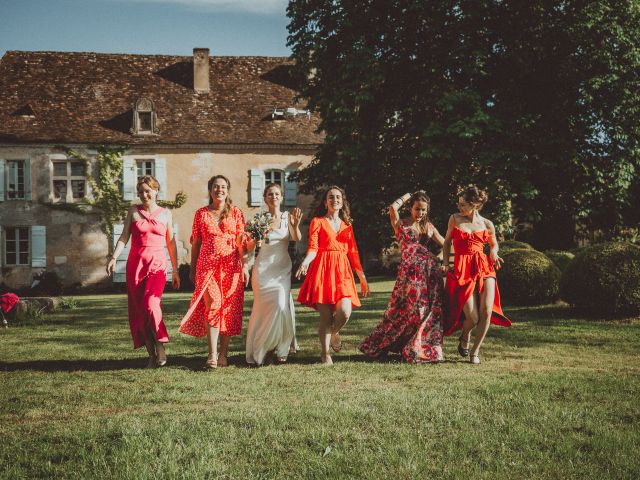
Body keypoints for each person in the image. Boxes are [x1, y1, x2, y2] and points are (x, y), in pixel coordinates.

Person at [360, 191, 445, 363]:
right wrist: (408, 194)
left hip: (429, 274)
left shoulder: (429, 227)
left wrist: (441, 259)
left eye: (423, 210)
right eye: (417, 209)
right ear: (411, 207)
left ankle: (416, 349)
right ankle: (385, 345)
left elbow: (447, 243)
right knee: (402, 312)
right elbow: (392, 207)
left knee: (424, 312)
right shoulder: (401, 224)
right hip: (409, 275)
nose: (420, 213)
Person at [107, 175, 180, 368]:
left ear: (156, 191)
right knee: (140, 312)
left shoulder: (166, 213)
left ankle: (160, 344)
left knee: (151, 305)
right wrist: (114, 257)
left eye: (148, 191)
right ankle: (151, 356)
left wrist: (176, 270)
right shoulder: (134, 211)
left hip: (157, 266)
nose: (144, 195)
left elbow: (171, 244)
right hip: (136, 266)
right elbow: (124, 237)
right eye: (140, 192)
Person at [179, 175, 249, 369]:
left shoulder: (236, 213)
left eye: (224, 187)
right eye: (216, 187)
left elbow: (241, 243)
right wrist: (192, 269)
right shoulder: (201, 213)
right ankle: (212, 354)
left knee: (228, 308)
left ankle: (223, 354)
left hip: (231, 266)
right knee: (214, 304)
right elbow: (196, 243)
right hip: (207, 266)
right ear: (210, 190)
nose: (220, 190)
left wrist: (245, 265)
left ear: (228, 190)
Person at [296, 186, 369, 365]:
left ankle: (335, 332)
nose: (334, 199)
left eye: (337, 197)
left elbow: (353, 252)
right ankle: (325, 353)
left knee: (344, 311)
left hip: (342, 271)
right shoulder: (317, 221)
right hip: (322, 270)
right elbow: (313, 247)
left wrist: (362, 276)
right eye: (330, 197)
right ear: (325, 201)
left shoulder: (347, 226)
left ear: (342, 202)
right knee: (326, 317)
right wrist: (306, 262)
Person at [441, 185, 511, 364]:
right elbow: (447, 242)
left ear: (475, 205)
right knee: (472, 317)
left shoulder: (487, 224)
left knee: (486, 311)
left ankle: (475, 351)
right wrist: (445, 263)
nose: (459, 207)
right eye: (459, 203)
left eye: (463, 204)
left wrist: (494, 252)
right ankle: (465, 336)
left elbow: (494, 244)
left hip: (484, 267)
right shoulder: (454, 219)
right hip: (463, 268)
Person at [245, 183, 303, 366]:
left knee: (280, 305)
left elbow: (296, 238)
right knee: (264, 311)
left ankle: (281, 347)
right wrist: (253, 238)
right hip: (262, 269)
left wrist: (294, 225)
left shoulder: (288, 217)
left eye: (277, 194)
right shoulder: (260, 219)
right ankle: (266, 350)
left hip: (282, 271)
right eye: (270, 194)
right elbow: (249, 247)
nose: (274, 196)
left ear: (282, 197)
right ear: (265, 198)